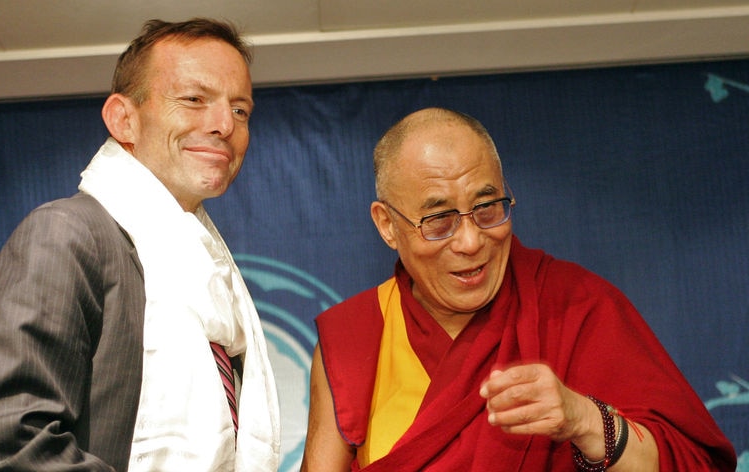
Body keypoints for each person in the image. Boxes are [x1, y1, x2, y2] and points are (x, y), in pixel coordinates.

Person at [300, 107, 736, 471]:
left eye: (488, 208)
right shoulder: (354, 337)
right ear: (387, 225)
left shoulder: (574, 306)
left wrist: (584, 420)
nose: (471, 242)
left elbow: (694, 460)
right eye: (439, 221)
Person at [0, 18, 280, 472]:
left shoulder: (205, 268)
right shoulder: (68, 236)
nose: (225, 124)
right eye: (193, 99)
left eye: (241, 110)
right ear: (123, 119)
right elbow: (6, 446)